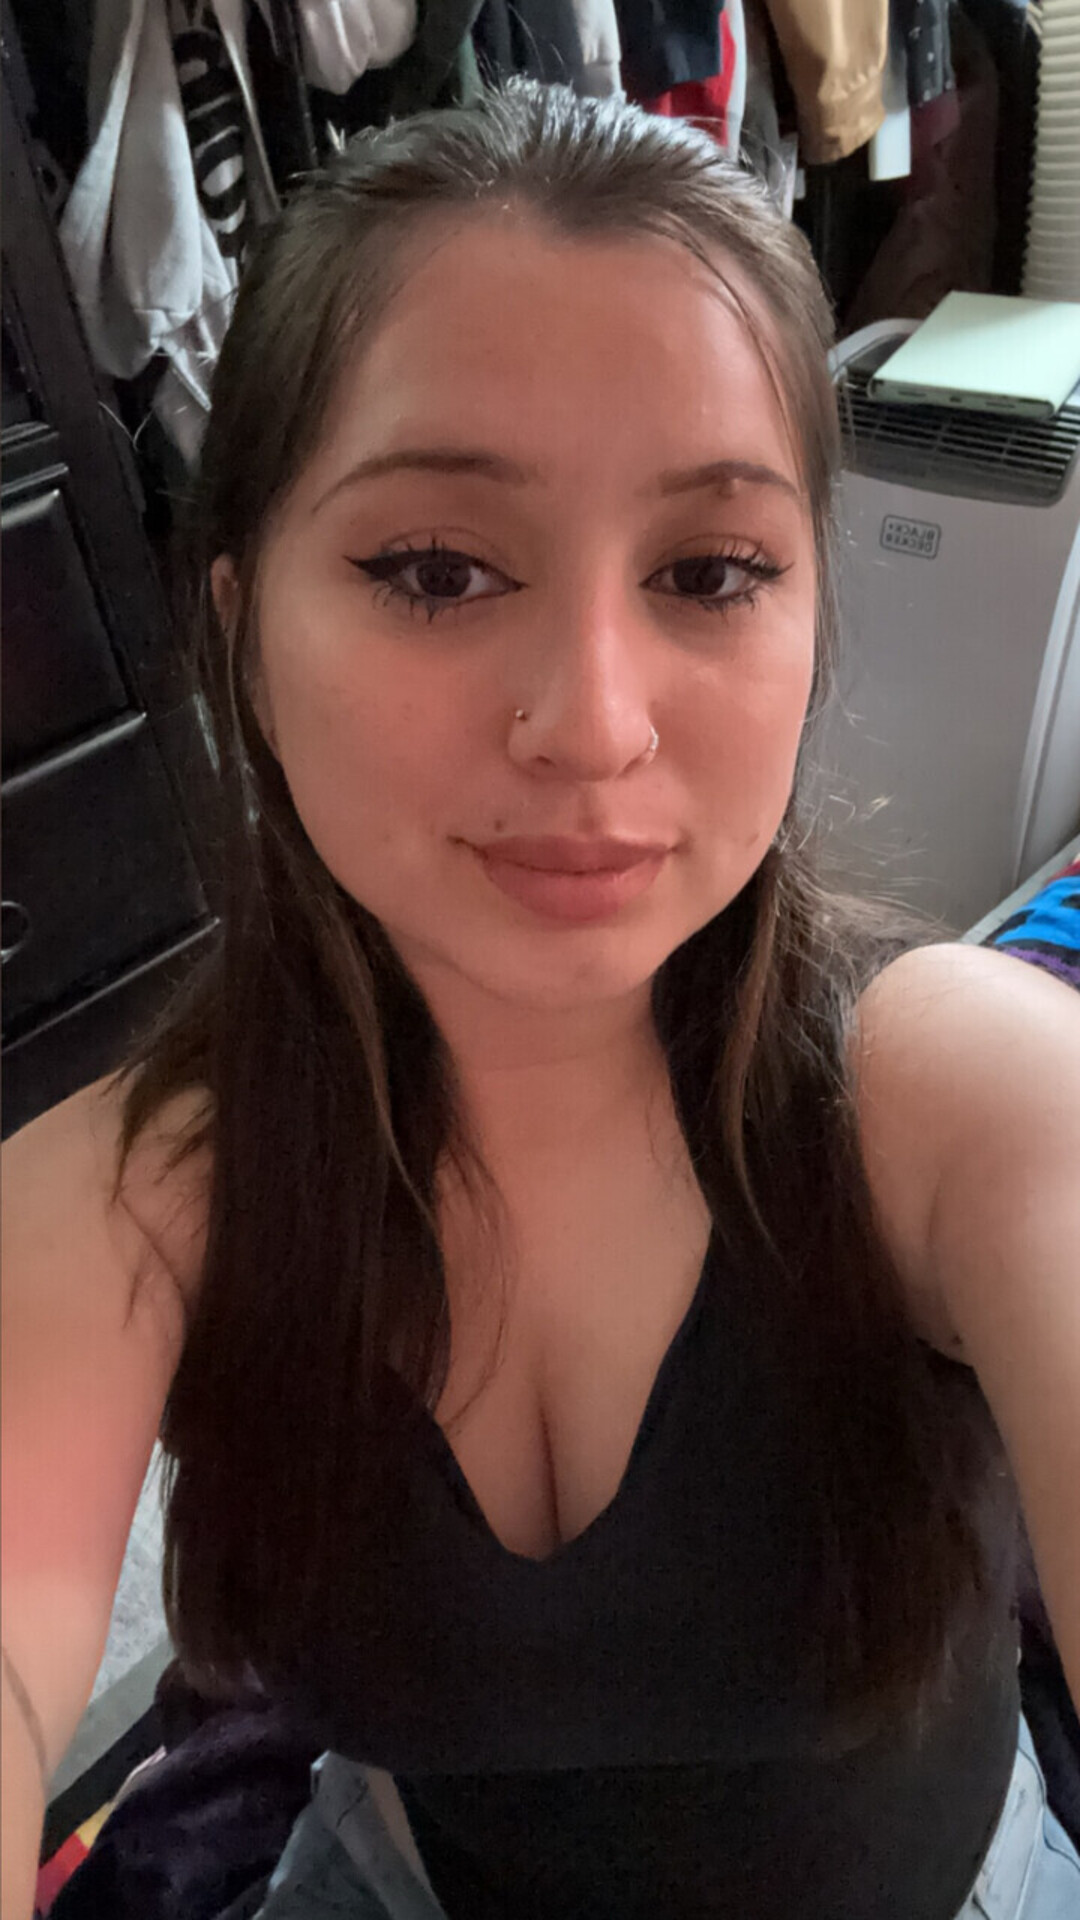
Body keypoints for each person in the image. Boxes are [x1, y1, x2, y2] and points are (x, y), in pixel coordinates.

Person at [3, 79, 1079, 1920]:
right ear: (243, 631)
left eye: (712, 573)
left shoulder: (954, 1093)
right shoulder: (144, 1192)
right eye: (436, 570)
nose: (591, 723)